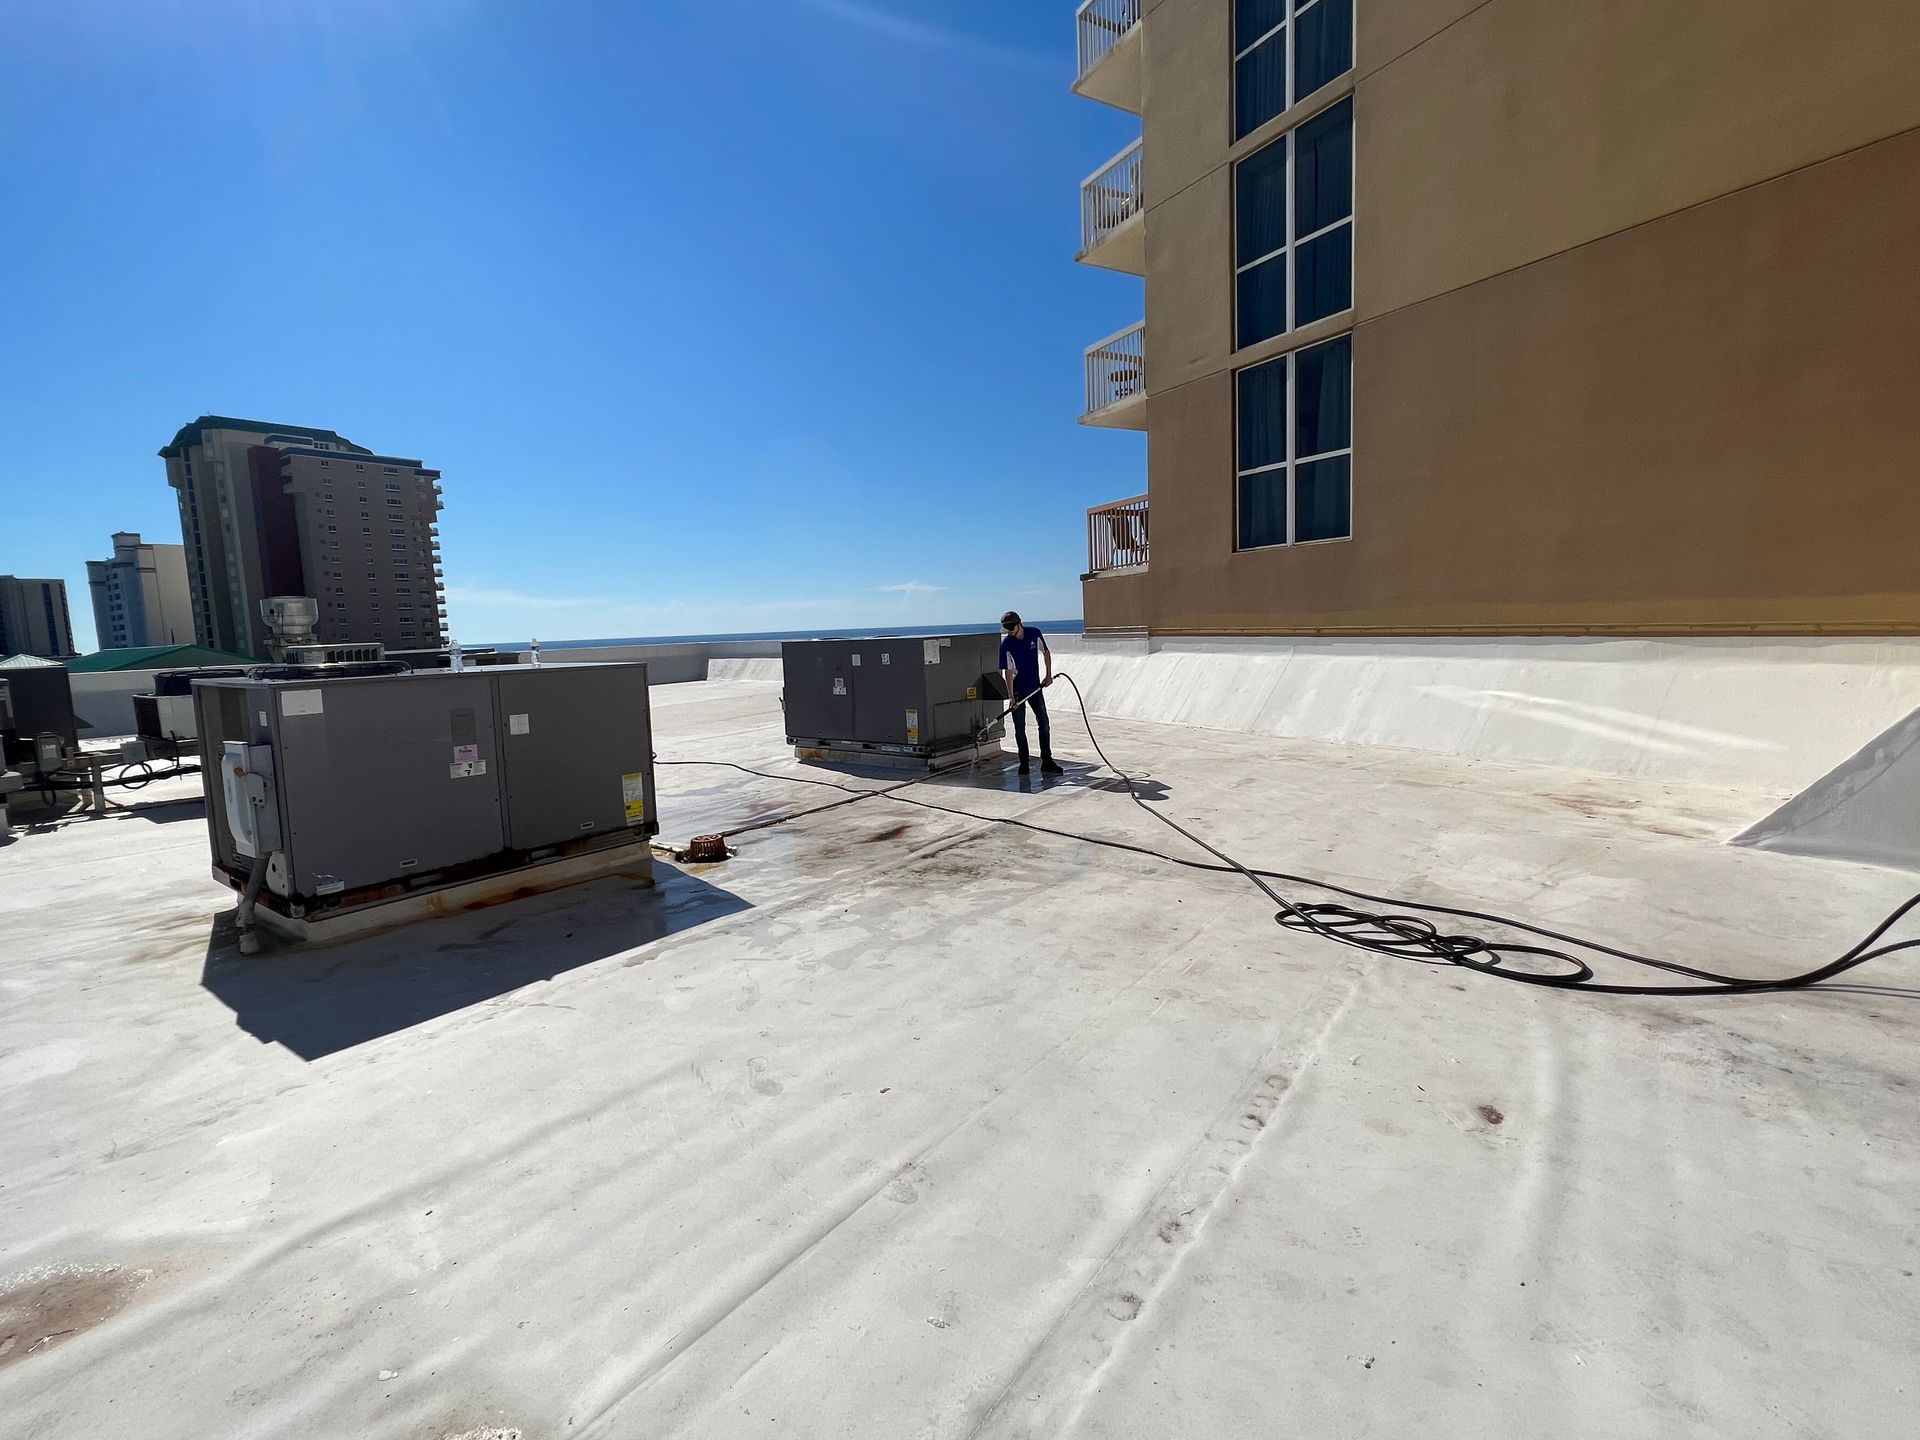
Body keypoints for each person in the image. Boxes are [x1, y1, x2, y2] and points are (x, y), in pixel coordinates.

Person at [998, 611, 1063, 776]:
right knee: (1020, 728)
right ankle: (1024, 763)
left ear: (1020, 623)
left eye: (1011, 627)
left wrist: (1048, 675)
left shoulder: (1034, 633)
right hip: (1019, 692)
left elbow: (1046, 652)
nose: (1010, 631)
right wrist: (1011, 697)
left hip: (1035, 688)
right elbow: (1008, 673)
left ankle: (1047, 761)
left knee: (1044, 723)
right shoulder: (1006, 645)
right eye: (1007, 628)